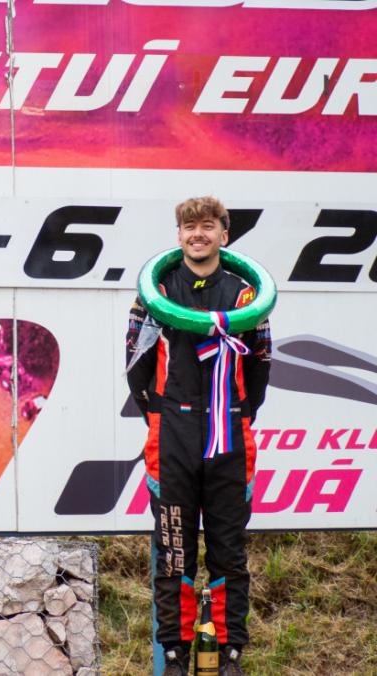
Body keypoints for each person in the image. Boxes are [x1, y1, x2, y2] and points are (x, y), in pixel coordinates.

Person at [126, 197, 271, 676]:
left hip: (230, 434)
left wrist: (238, 411)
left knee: (229, 551)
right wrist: (161, 414)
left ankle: (230, 656)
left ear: (224, 236)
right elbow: (136, 364)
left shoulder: (247, 294)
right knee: (173, 553)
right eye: (189, 227)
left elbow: (261, 363)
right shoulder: (156, 290)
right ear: (179, 236)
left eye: (208, 226)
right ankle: (174, 655)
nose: (198, 234)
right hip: (173, 436)